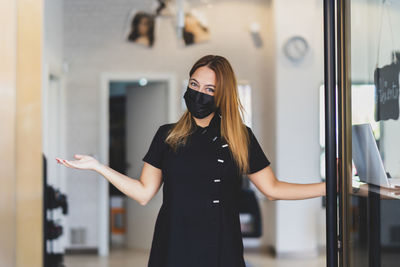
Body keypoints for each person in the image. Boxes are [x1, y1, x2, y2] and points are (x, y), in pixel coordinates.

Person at [56, 55, 326, 267]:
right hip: (174, 243)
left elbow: (273, 188)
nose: (199, 94)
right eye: (194, 85)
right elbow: (142, 193)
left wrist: (329, 186)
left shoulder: (241, 137)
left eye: (210, 89)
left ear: (222, 96)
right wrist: (98, 166)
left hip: (221, 245)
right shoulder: (167, 135)